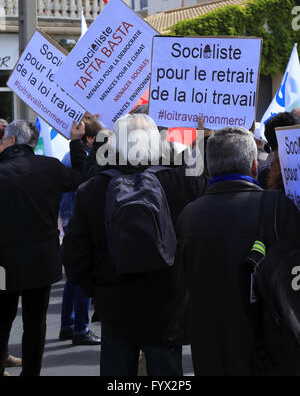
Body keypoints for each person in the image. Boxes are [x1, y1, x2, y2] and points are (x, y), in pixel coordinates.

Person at [62, 113, 207, 376]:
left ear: (115, 144)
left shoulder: (93, 188)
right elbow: (201, 227)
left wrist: (97, 289)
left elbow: (74, 254)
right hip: (167, 300)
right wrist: (201, 136)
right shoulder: (182, 182)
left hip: (115, 300)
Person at [176, 126, 300, 376]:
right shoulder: (278, 208)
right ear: (254, 166)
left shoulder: (189, 215)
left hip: (209, 346)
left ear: (209, 168)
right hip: (267, 346)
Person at [0, 119, 84, 377]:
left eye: (3, 140)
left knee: (2, 320)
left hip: (4, 264)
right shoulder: (50, 167)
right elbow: (81, 177)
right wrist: (77, 142)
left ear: (12, 141)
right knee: (35, 323)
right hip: (41, 261)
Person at [59, 116, 101, 345]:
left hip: (70, 217)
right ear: (90, 138)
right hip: (77, 218)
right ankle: (80, 328)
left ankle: (69, 323)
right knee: (82, 274)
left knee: (73, 277)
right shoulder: (81, 157)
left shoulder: (75, 155)